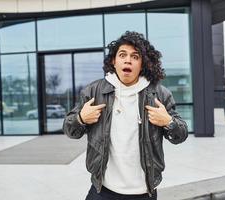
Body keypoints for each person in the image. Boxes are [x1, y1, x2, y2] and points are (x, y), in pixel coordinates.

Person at [63, 31, 188, 200]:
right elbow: (70, 130)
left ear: (142, 63)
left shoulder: (159, 94)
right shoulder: (94, 92)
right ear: (114, 61)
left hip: (144, 192)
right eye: (122, 55)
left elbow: (180, 135)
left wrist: (168, 122)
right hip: (102, 190)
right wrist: (80, 119)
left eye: (135, 56)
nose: (128, 60)